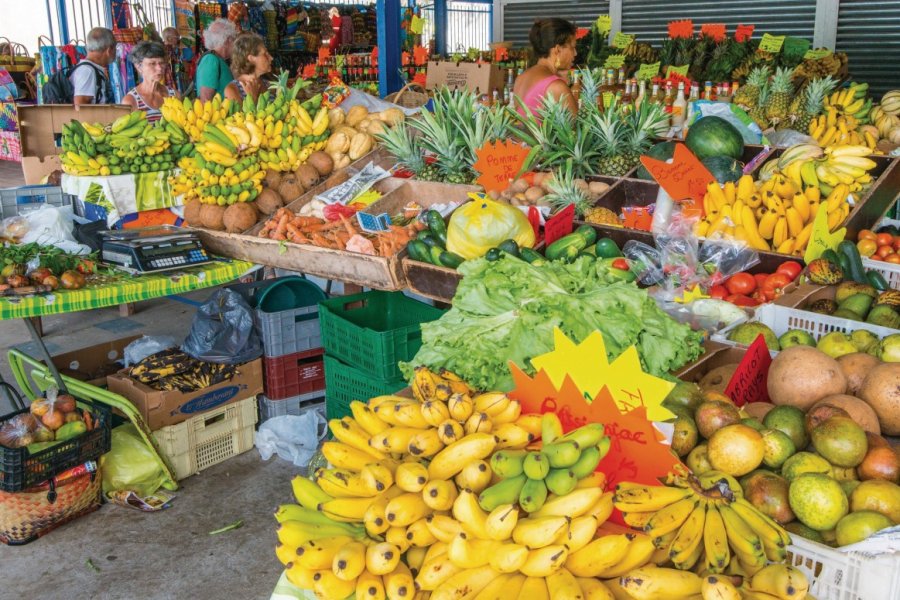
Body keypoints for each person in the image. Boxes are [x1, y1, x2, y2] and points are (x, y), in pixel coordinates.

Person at [513, 18, 578, 116]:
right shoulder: (557, 86)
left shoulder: (521, 78)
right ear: (557, 49)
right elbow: (576, 127)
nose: (575, 53)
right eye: (572, 47)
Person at [123, 41, 179, 124]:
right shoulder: (131, 101)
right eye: (152, 63)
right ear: (139, 67)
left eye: (161, 63)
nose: (159, 68)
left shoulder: (174, 95)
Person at [70, 27, 116, 106]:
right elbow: (80, 105)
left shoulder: (90, 69)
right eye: (115, 48)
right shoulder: (88, 71)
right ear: (109, 50)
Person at [224, 32, 273, 104]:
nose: (271, 58)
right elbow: (241, 115)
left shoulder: (267, 84)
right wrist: (252, 98)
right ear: (251, 58)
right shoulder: (232, 90)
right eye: (265, 54)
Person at [196, 18, 237, 101]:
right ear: (228, 40)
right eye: (234, 39)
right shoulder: (211, 60)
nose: (235, 44)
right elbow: (205, 100)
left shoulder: (218, 60)